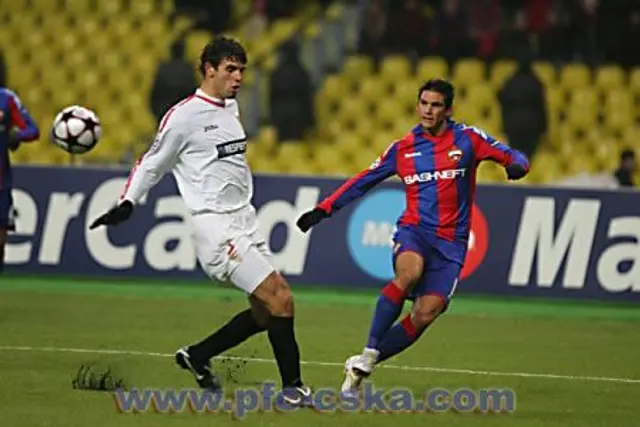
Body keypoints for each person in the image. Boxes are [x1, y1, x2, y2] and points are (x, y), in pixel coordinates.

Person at [89, 36, 311, 405]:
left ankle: (197, 355)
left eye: (241, 69)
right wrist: (128, 201)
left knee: (264, 313)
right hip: (216, 227)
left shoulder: (230, 108)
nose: (238, 77)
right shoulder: (184, 117)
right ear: (209, 70)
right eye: (230, 69)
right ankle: (293, 389)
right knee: (282, 299)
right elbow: (152, 162)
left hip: (245, 221)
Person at [296, 78, 529, 395]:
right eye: (424, 103)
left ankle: (363, 364)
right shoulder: (403, 148)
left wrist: (516, 167)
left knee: (425, 313)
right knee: (409, 272)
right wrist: (324, 209)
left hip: (451, 245)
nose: (428, 110)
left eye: (435, 105)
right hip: (414, 232)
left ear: (448, 110)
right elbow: (365, 180)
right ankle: (369, 349)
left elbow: (515, 157)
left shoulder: (469, 139)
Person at [0, 77, 40, 274]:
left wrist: (16, 136)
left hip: (1, 184)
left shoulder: (6, 99)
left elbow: (33, 130)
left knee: (1, 241)